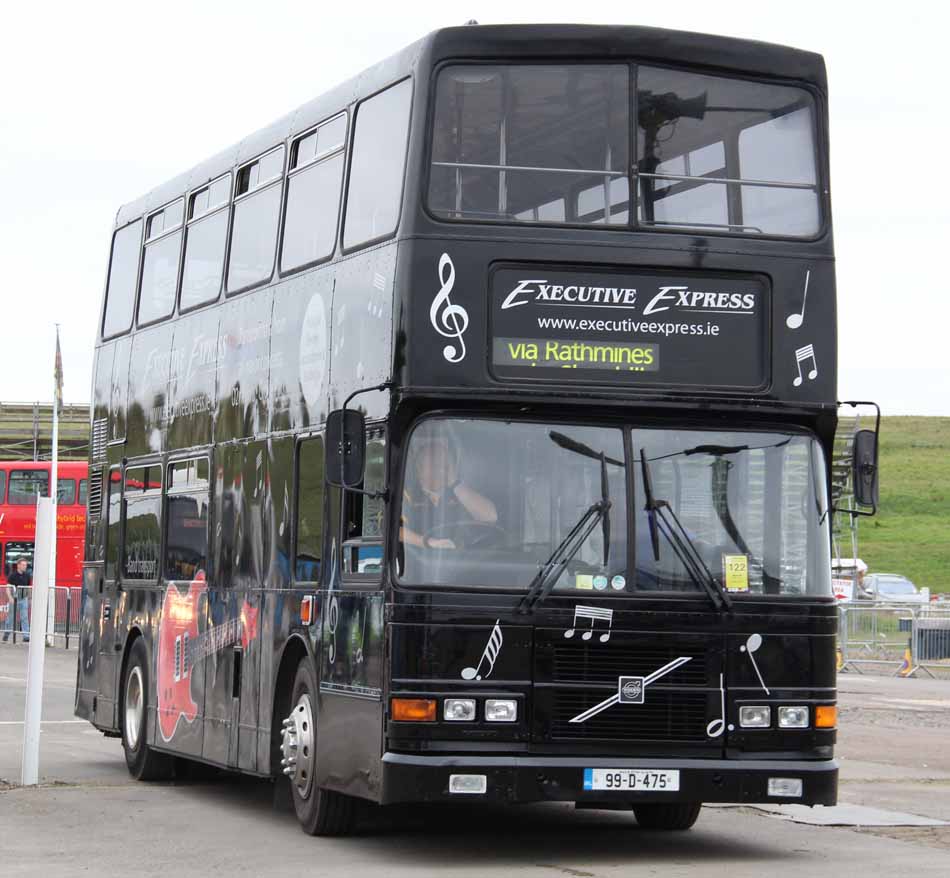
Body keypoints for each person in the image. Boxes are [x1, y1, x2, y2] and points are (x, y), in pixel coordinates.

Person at [401, 434, 497, 550]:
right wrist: (428, 542)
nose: (441, 468)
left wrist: (454, 483)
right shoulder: (408, 493)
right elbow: (391, 527)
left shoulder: (461, 493)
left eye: (445, 463)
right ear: (419, 468)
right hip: (417, 563)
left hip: (463, 560)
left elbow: (490, 517)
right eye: (434, 464)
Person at [4, 558, 31, 642]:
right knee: (10, 618)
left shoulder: (27, 575)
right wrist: (10, 598)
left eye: (25, 565)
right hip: (14, 598)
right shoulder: (12, 575)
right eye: (23, 565)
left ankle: (26, 635)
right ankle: (6, 633)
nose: (25, 567)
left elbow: (28, 587)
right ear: (18, 565)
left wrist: (29, 598)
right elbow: (8, 587)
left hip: (24, 598)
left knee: (25, 617)